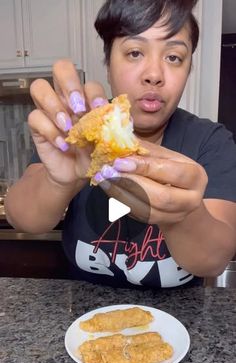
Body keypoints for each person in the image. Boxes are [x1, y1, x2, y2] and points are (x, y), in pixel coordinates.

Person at [4, 0, 236, 289]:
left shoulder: (211, 141)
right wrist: (58, 181)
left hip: (176, 330)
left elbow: (213, 261)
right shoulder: (78, 131)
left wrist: (183, 216)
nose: (154, 74)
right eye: (135, 52)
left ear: (188, 69)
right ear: (108, 62)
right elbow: (22, 218)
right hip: (86, 327)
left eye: (174, 57)